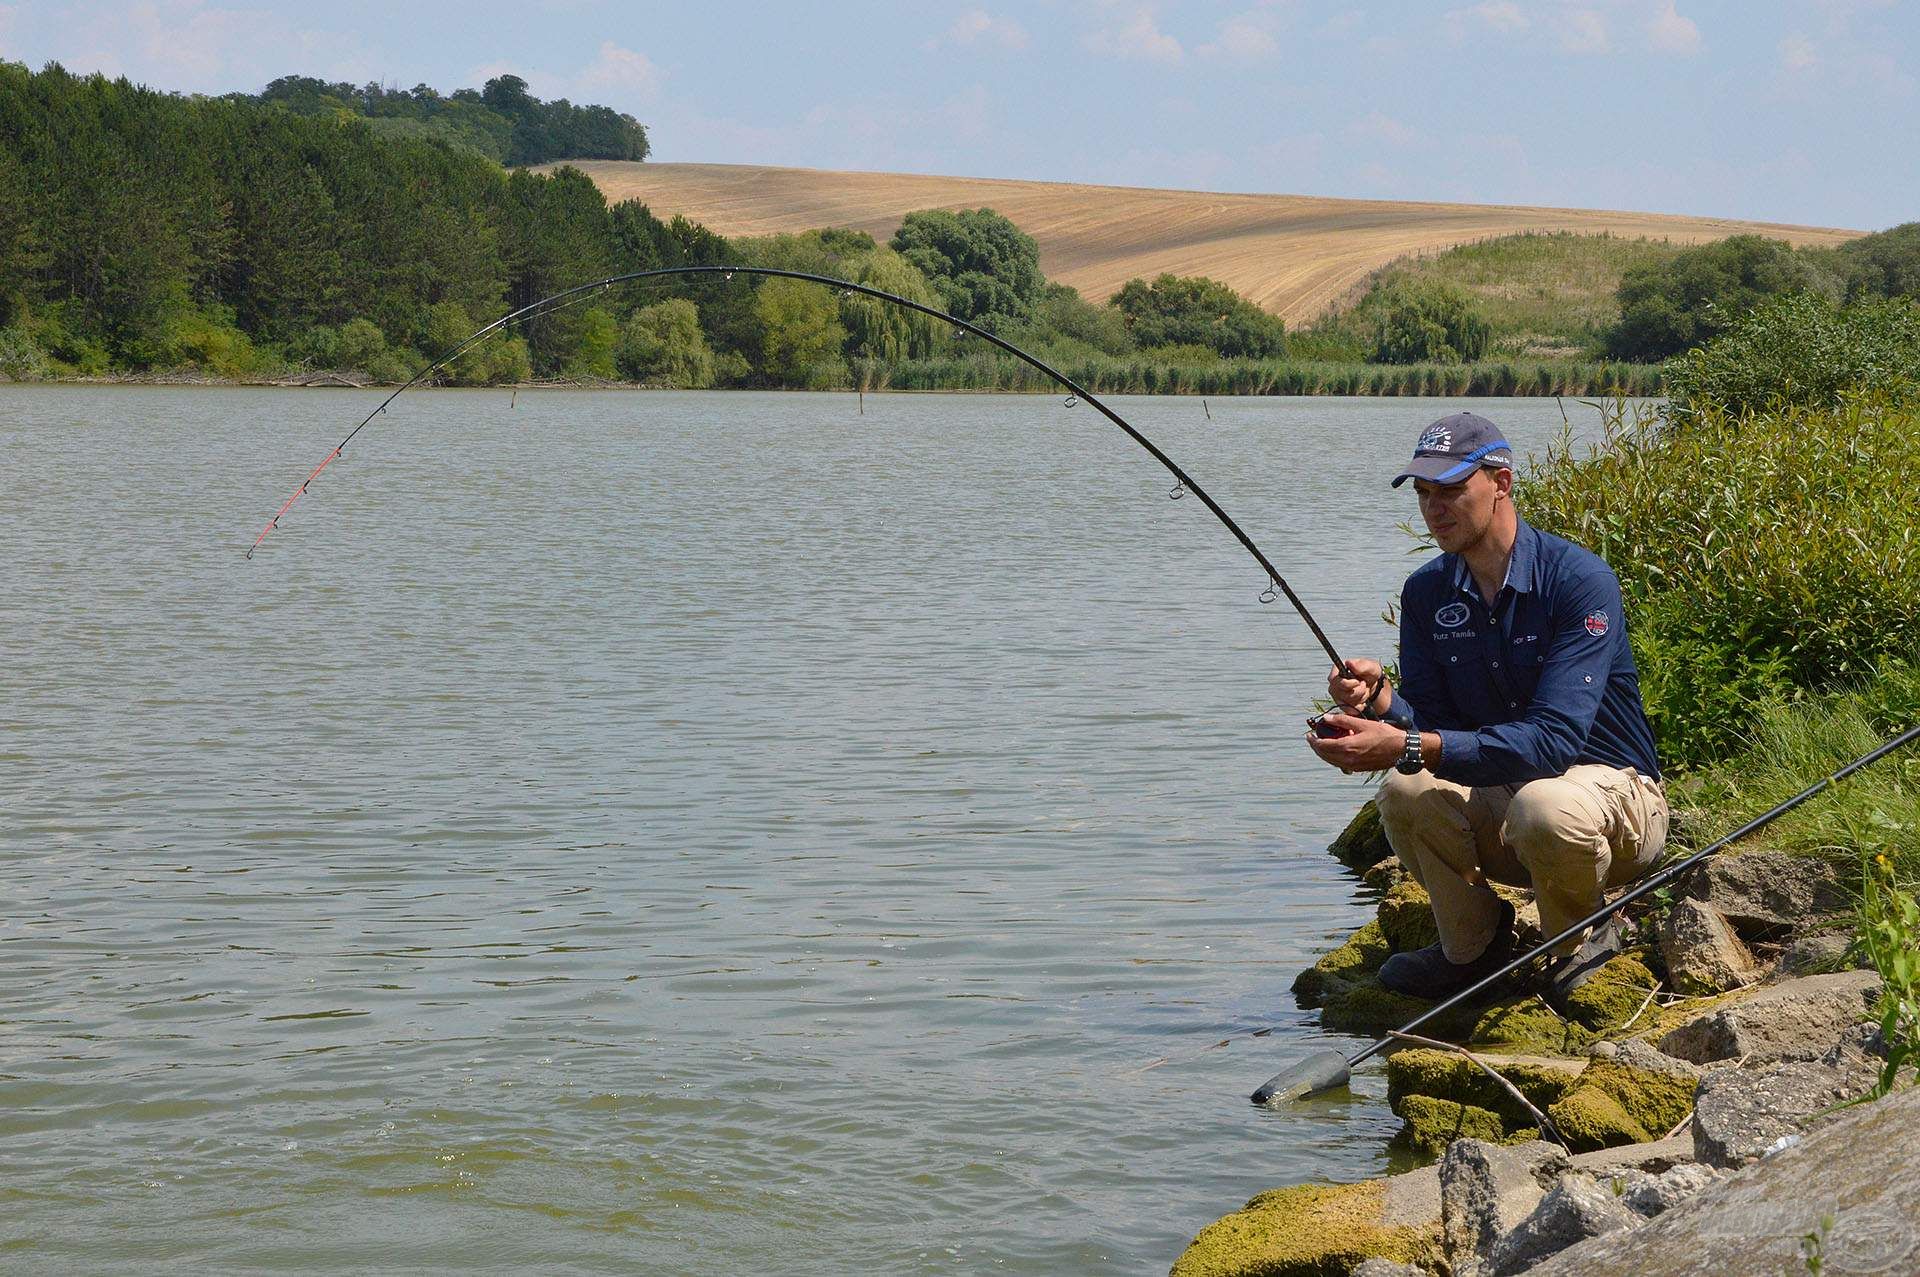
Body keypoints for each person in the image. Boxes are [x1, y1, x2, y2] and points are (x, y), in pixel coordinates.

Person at [1306, 411, 1668, 1006]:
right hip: (1509, 802)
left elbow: (1551, 743)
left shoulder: (1579, 580)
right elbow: (1435, 726)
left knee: (1543, 803)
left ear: (1500, 482)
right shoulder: (1426, 591)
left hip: (1613, 803)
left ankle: (1578, 940)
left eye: (1450, 489)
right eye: (1424, 493)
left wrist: (1406, 745)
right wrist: (1384, 704)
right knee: (1405, 792)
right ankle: (1473, 948)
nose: (1433, 507)